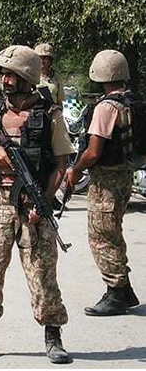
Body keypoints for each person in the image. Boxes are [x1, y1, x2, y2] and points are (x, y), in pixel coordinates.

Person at [0, 45, 74, 364]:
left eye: (11, 75)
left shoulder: (49, 115)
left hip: (34, 206)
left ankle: (53, 336)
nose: (5, 80)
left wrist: (44, 201)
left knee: (43, 275)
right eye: (2, 74)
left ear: (27, 77)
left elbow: (61, 164)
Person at [66, 50, 141, 316]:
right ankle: (125, 288)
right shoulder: (131, 102)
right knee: (114, 231)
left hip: (106, 180)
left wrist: (74, 170)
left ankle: (115, 292)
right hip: (124, 175)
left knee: (101, 237)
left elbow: (93, 152)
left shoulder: (106, 107)